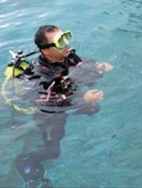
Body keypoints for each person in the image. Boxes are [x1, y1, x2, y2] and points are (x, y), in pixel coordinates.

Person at [12, 25, 113, 186]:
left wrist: (97, 66)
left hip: (66, 94)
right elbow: (48, 104)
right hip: (49, 114)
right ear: (45, 51)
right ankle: (26, 159)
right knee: (53, 152)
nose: (66, 44)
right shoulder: (38, 76)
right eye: (60, 42)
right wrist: (82, 100)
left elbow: (82, 63)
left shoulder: (68, 56)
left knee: (93, 107)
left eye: (66, 37)